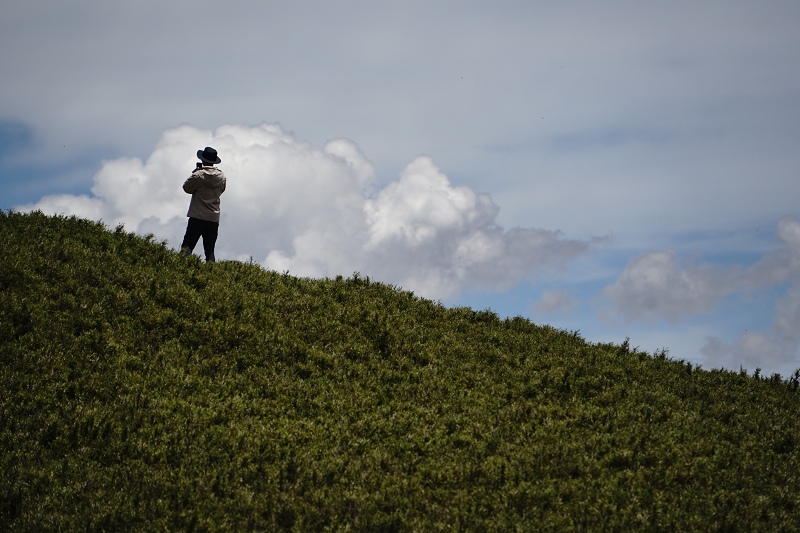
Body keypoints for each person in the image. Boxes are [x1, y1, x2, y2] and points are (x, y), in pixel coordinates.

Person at [180, 146, 227, 262]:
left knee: (187, 246)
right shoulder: (222, 177)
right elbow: (221, 190)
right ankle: (210, 274)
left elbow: (186, 188)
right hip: (213, 218)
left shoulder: (198, 176)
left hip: (197, 216)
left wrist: (195, 172)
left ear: (203, 160)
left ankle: (182, 269)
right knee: (210, 250)